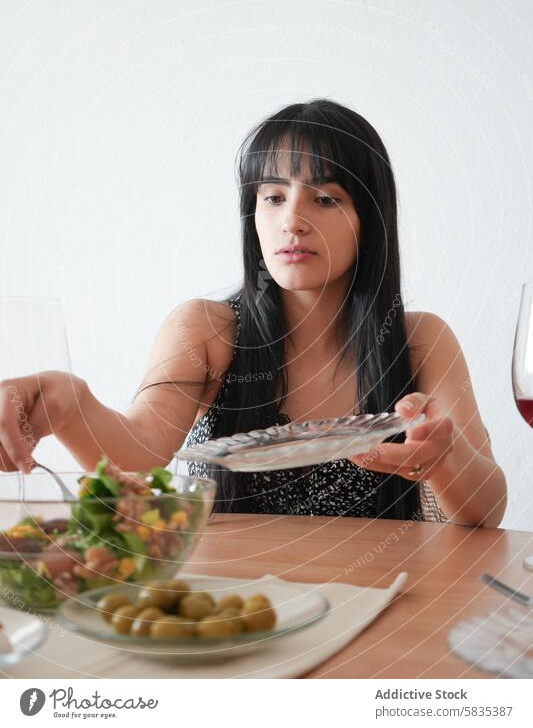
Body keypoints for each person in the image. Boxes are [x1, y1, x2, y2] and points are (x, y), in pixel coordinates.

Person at [0, 99, 507, 526]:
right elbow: (138, 454)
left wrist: (444, 457)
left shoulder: (421, 339)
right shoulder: (207, 329)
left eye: (326, 198)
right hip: (237, 610)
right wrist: (68, 400)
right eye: (273, 197)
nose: (293, 221)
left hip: (388, 605)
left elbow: (487, 511)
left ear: (369, 221)